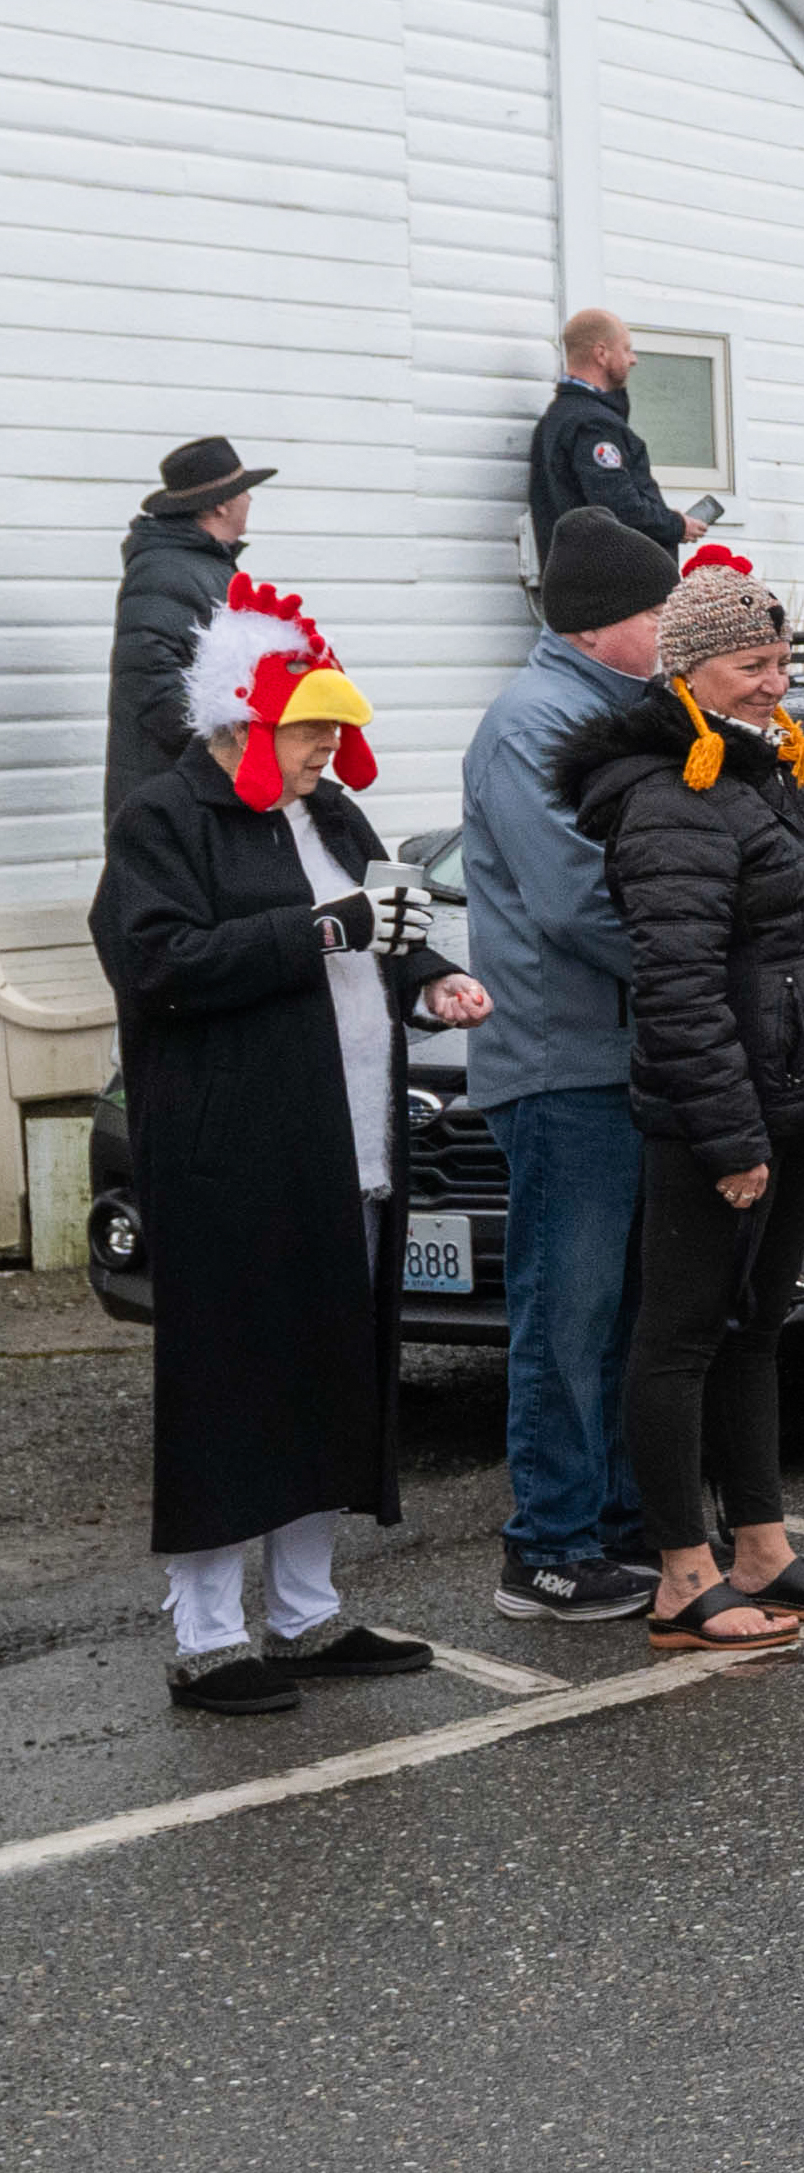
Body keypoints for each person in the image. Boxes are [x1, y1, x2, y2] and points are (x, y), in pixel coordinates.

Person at [91, 582, 482, 1712]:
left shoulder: (332, 818)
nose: (332, 745)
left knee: (330, 1378)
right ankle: (208, 1634)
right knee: (229, 1389)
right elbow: (156, 964)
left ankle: (306, 1614)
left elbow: (381, 930)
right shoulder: (163, 818)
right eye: (311, 728)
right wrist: (316, 929)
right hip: (233, 1155)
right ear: (244, 727)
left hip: (348, 1140)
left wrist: (433, 980)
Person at [563, 550, 804, 1649]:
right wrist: (727, 1133)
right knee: (678, 1339)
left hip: (797, 1098)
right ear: (692, 672)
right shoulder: (671, 795)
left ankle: (760, 1547)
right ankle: (680, 1574)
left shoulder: (770, 769)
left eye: (781, 660)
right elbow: (675, 985)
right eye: (753, 664)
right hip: (723, 1115)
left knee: (756, 1330)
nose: (775, 681)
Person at [457, 507, 683, 1620]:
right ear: (600, 626)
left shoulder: (608, 713)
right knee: (571, 1312)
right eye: (656, 611)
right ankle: (545, 1547)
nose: (668, 629)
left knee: (628, 1312)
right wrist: (698, 950)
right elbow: (577, 899)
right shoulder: (536, 724)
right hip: (561, 1062)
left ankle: (614, 1525)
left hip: (618, 1055)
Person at [104, 437, 273, 820]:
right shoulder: (165, 568)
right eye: (245, 491)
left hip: (198, 784)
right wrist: (233, 747)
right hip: (175, 791)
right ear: (221, 503)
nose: (250, 499)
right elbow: (153, 684)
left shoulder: (198, 564)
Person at [526, 309, 692, 557]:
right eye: (626, 349)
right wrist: (675, 525)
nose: (633, 359)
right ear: (601, 354)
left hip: (572, 578)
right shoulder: (593, 424)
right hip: (610, 586)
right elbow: (619, 508)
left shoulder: (556, 418)